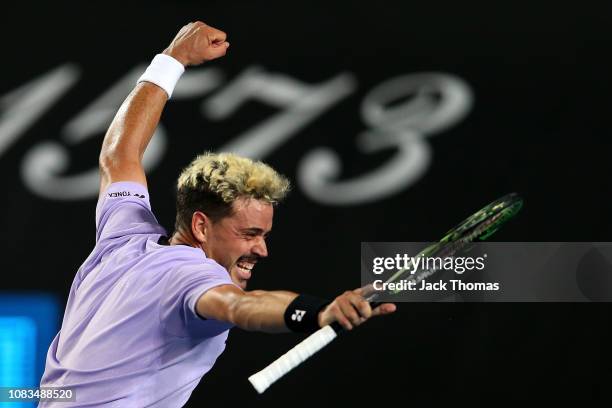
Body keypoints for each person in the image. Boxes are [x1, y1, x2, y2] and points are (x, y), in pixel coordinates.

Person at [39, 21, 396, 407]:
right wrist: (315, 312)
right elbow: (240, 306)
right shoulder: (192, 275)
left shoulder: (122, 236)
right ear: (200, 226)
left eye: (264, 235)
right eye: (249, 233)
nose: (262, 250)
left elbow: (119, 153)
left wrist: (173, 59)